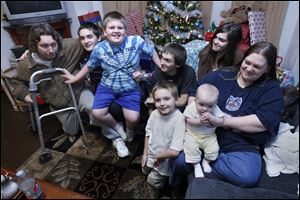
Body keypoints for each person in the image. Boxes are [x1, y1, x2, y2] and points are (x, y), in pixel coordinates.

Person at [170, 41, 285, 188]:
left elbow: (263, 122)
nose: (249, 69)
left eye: (256, 67)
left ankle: (205, 159)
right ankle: (180, 181)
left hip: (238, 144)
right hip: (202, 134)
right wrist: (193, 113)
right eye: (247, 62)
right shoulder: (222, 75)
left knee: (247, 176)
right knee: (179, 162)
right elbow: (194, 91)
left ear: (267, 69)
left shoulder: (272, 90)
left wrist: (223, 121)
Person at [63, 11, 161, 152]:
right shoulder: (99, 48)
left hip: (130, 87)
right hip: (107, 86)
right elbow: (89, 66)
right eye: (111, 28)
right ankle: (117, 127)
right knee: (97, 113)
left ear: (125, 31)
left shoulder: (136, 41)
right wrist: (75, 78)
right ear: (104, 32)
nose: (116, 31)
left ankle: (130, 129)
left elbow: (151, 51)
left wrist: (159, 65)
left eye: (119, 28)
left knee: (133, 119)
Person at [11, 23, 101, 141]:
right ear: (34, 45)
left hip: (78, 91)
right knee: (72, 131)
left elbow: (91, 40)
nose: (51, 50)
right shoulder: (25, 65)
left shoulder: (70, 46)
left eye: (53, 44)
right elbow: (16, 83)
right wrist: (26, 95)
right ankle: (71, 122)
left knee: (97, 111)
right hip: (57, 101)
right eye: (44, 46)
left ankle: (92, 120)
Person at [142, 80, 186, 189]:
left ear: (176, 99)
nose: (162, 103)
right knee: (144, 170)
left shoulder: (179, 120)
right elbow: (148, 134)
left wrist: (158, 157)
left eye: (166, 99)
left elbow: (174, 152)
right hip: (151, 155)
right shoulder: (154, 114)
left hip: (163, 161)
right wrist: (145, 154)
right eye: (158, 100)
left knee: (152, 181)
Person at [183, 84, 224, 178]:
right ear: (195, 100)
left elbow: (221, 120)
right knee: (191, 148)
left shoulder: (215, 109)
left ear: (215, 103)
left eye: (209, 106)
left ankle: (206, 161)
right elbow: (188, 120)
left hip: (209, 136)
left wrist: (213, 119)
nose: (205, 109)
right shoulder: (192, 107)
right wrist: (199, 122)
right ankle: (196, 165)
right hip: (192, 134)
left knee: (214, 149)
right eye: (201, 104)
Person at [144, 43, 197, 112]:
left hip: (180, 109)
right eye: (162, 58)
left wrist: (158, 102)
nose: (162, 62)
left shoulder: (188, 72)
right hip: (162, 107)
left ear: (178, 65)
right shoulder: (156, 73)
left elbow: (182, 101)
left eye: (167, 60)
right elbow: (152, 97)